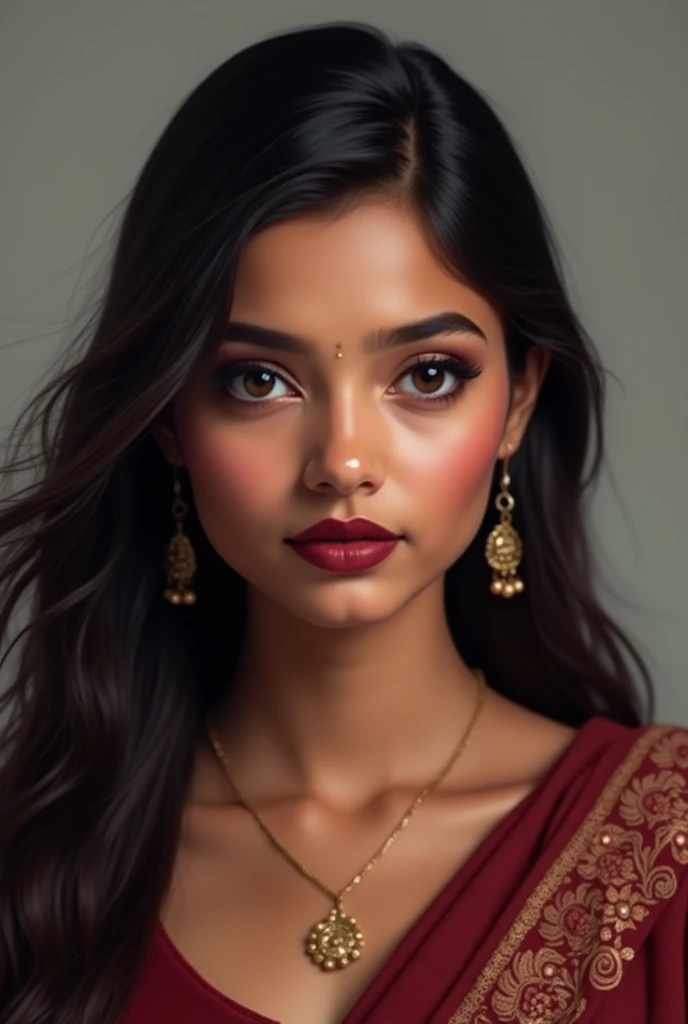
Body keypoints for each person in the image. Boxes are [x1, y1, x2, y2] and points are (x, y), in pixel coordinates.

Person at [0, 20, 686, 1024]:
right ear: (168, 423)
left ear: (520, 401)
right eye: (258, 380)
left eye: (426, 375)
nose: (343, 462)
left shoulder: (659, 852)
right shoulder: (38, 879)